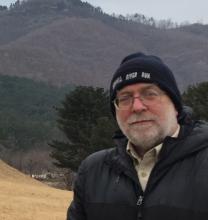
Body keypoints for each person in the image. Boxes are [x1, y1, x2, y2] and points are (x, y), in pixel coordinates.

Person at [67, 52, 208, 220]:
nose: (137, 107)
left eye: (150, 94)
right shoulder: (92, 171)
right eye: (125, 98)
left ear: (176, 106)